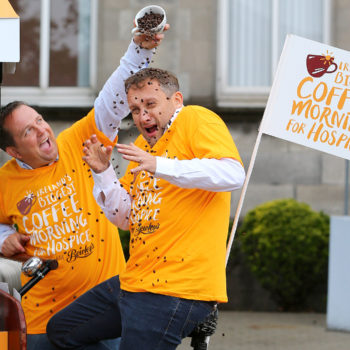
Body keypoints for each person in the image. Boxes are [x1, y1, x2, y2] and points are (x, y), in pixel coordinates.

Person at [47, 67, 246, 350]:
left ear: (176, 100)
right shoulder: (142, 145)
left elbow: (233, 174)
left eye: (150, 104)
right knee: (62, 331)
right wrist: (103, 172)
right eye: (135, 109)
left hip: (175, 289)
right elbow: (127, 217)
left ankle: (198, 313)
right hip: (134, 281)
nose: (142, 116)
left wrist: (159, 166)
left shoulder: (195, 118)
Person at [0, 24, 168, 350]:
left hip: (102, 315)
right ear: (14, 152)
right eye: (27, 132)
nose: (41, 130)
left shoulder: (77, 141)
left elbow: (110, 103)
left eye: (38, 120)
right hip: (38, 321)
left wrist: (140, 51)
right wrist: (4, 238)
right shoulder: (4, 180)